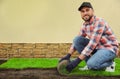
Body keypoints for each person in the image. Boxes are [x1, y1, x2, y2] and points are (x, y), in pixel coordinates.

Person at [59, 2, 119, 72]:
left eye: (87, 10)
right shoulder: (84, 25)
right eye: (82, 11)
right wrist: (68, 55)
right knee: (77, 40)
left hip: (109, 49)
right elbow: (76, 41)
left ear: (92, 11)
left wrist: (77, 61)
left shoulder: (99, 22)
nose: (85, 13)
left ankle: (110, 63)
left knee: (92, 65)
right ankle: (89, 64)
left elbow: (92, 43)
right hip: (98, 48)